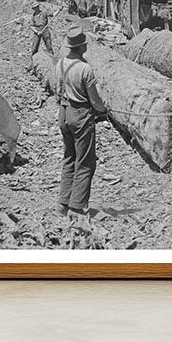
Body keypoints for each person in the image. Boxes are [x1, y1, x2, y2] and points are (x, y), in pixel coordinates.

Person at [52, 26, 108, 219]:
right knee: (85, 162)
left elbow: (56, 90)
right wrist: (103, 110)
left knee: (69, 158)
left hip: (64, 113)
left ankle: (62, 204)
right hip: (80, 114)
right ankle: (76, 208)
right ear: (82, 47)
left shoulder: (60, 64)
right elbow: (94, 100)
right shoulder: (85, 69)